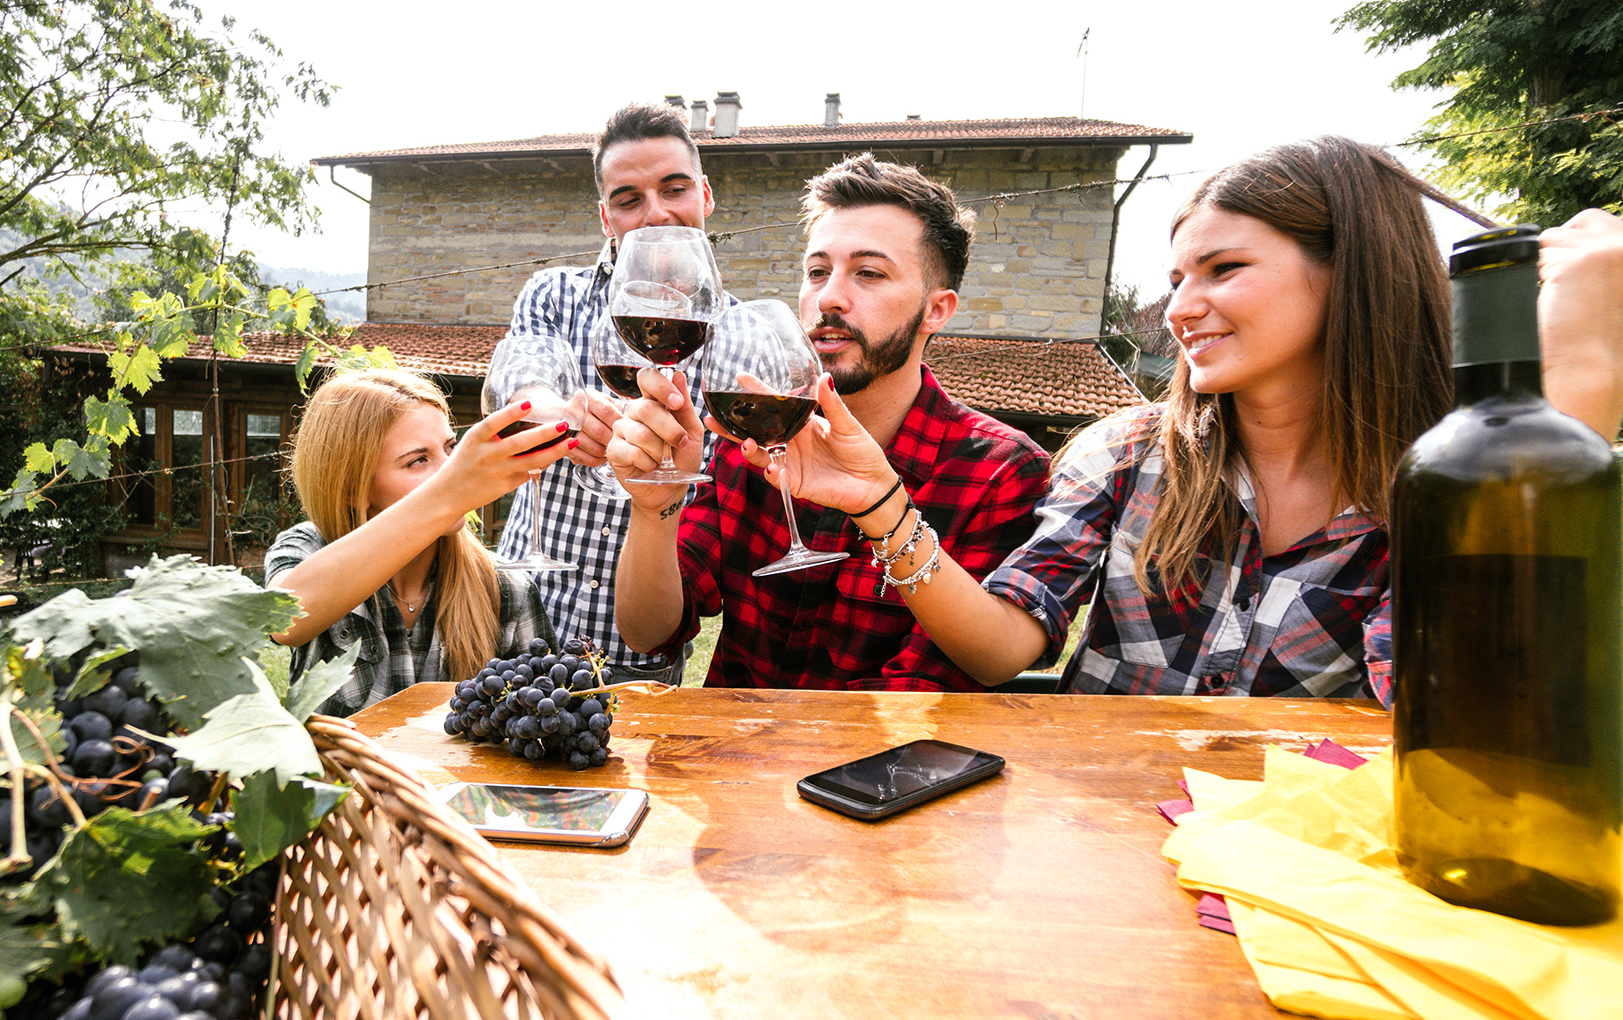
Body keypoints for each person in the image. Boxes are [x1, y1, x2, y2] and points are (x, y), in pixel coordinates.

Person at [678, 136, 1623, 702]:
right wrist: (883, 503)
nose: (1179, 308)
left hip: (1290, 884)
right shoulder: (1125, 455)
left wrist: (1572, 398)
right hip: (1093, 855)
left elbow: (1457, 712)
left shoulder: (1437, 485)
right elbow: (1006, 645)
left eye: (1224, 270)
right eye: (1176, 278)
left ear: (1353, 274)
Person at [606, 153, 1051, 690]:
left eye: (869, 273)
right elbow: (648, 632)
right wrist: (654, 508)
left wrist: (881, 506)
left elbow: (988, 664)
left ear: (936, 309)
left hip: (898, 747)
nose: (829, 297)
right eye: (817, 272)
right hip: (737, 745)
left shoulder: (1000, 469)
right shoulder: (749, 439)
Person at [491, 101, 729, 685]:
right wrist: (561, 417)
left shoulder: (740, 332)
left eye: (674, 189)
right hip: (512, 625)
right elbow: (520, 380)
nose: (656, 213)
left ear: (705, 195)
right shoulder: (553, 294)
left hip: (639, 658)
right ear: (606, 218)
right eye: (629, 199)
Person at [264, 369, 575, 717]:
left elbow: (547, 722)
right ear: (354, 488)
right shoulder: (310, 549)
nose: (452, 469)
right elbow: (284, 621)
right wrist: (447, 495)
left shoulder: (506, 589)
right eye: (418, 460)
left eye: (451, 448)